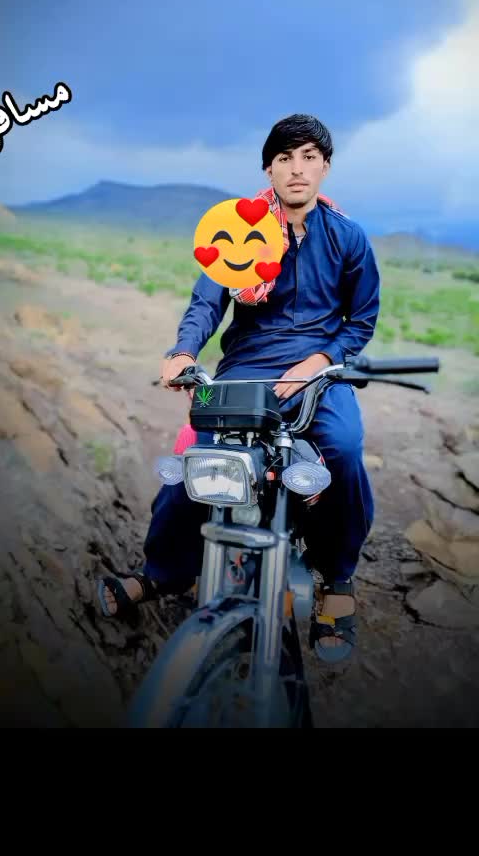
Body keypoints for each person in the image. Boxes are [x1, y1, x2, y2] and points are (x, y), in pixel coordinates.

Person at [97, 113, 381, 663]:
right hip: (246, 370)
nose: (296, 169)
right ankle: (162, 572)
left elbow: (361, 320)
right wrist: (184, 352)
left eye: (308, 158)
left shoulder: (348, 237)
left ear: (324, 167)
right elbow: (207, 302)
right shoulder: (240, 227)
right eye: (284, 158)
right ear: (268, 169)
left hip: (319, 374)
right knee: (198, 457)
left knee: (344, 450)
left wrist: (321, 359)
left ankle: (337, 579)